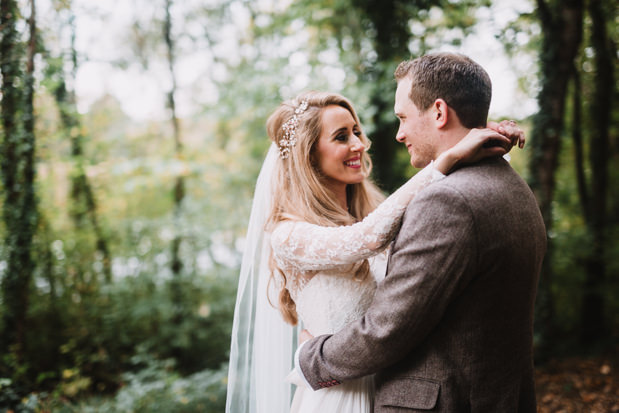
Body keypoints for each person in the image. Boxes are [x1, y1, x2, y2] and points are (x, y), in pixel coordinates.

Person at [226, 86, 524, 412]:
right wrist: (448, 156)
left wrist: (486, 139)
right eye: (341, 137)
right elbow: (366, 239)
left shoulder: (376, 213)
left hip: (394, 389)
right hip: (339, 396)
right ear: (308, 154)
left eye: (356, 131)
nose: (358, 144)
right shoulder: (288, 235)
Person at [295, 53, 547, 412]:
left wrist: (311, 358)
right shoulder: (514, 187)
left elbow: (387, 329)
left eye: (403, 118)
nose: (398, 133)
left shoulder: (447, 202)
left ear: (440, 113)